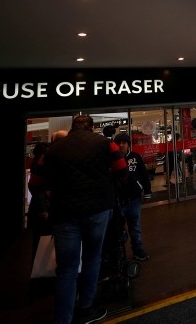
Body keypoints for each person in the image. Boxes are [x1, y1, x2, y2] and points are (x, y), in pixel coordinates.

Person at [32, 115, 128, 324]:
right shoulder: (106, 144)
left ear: (72, 127)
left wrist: (49, 199)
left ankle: (63, 318)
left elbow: (35, 181)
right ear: (92, 127)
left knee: (66, 267)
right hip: (98, 209)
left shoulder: (53, 149)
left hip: (64, 214)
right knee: (93, 258)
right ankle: (86, 309)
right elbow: (122, 171)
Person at [113, 133, 152, 261]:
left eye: (124, 143)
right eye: (118, 143)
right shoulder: (112, 159)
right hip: (118, 201)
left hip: (134, 199)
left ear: (128, 144)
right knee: (117, 230)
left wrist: (147, 191)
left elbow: (143, 174)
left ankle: (138, 250)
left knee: (135, 228)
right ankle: (118, 255)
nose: (121, 145)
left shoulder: (135, 157)